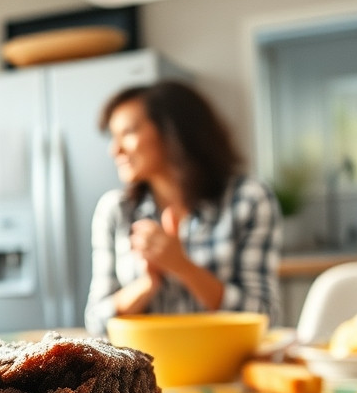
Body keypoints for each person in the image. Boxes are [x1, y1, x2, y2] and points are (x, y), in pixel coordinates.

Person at [83, 80, 282, 335]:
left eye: (128, 132)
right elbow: (96, 322)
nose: (115, 149)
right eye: (113, 137)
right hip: (148, 371)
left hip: (225, 370)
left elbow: (265, 318)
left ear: (173, 131)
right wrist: (147, 284)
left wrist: (182, 267)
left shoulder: (249, 199)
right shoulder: (115, 210)